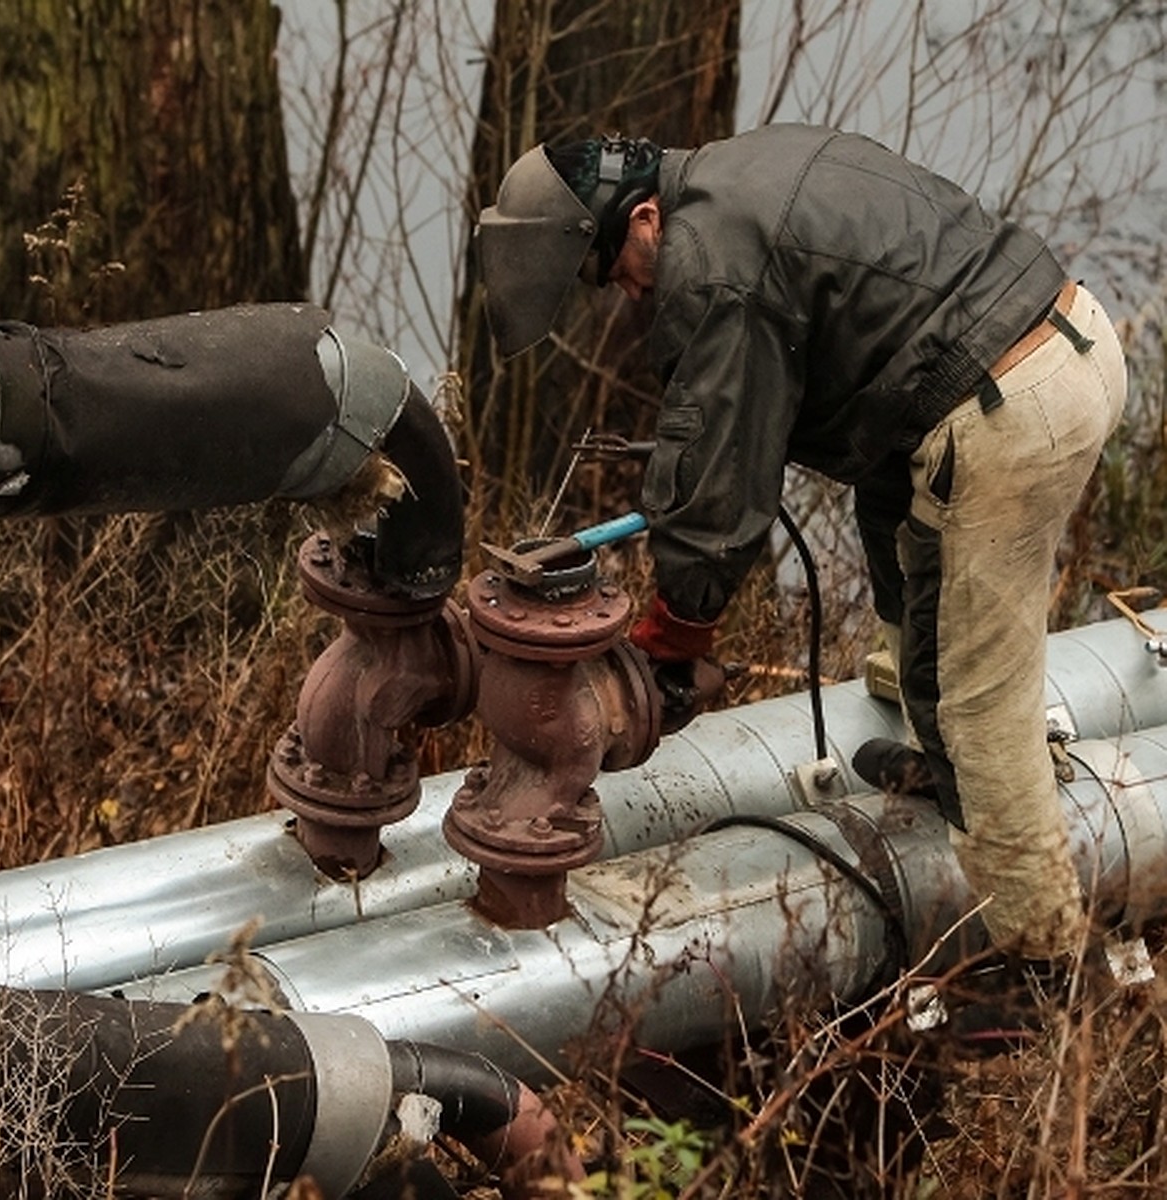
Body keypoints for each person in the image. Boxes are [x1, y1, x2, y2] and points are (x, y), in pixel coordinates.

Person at [475, 125, 1128, 999]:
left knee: (984, 710)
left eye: (613, 271)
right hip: (1057, 338)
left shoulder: (706, 261)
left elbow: (719, 475)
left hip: (1010, 405)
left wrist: (676, 631)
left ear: (642, 219)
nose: (626, 294)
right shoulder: (740, 168)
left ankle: (1045, 970)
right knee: (898, 529)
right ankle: (941, 766)